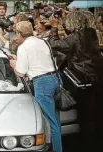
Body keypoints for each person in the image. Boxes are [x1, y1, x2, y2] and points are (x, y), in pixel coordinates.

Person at [49, 11, 103, 151]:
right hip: (95, 77)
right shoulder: (91, 34)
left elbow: (54, 44)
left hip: (79, 79)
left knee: (83, 115)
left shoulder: (74, 37)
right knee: (93, 112)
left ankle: (84, 144)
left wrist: (54, 27)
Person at [9, 21, 62, 152]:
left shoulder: (23, 47)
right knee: (55, 119)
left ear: (19, 34)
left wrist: (14, 63)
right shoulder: (43, 41)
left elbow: (21, 72)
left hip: (42, 83)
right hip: (54, 79)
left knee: (51, 122)